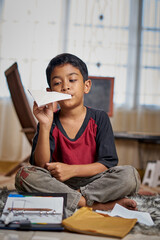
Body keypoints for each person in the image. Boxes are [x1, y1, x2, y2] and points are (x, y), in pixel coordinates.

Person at [15, 53, 141, 217]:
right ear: (50, 91)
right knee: (24, 175)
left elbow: (107, 162)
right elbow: (41, 165)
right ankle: (97, 206)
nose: (65, 87)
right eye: (57, 83)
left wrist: (72, 170)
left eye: (72, 80)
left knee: (130, 175)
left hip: (94, 182)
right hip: (57, 183)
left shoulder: (99, 118)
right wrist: (45, 125)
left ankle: (72, 200)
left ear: (86, 86)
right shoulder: (48, 121)